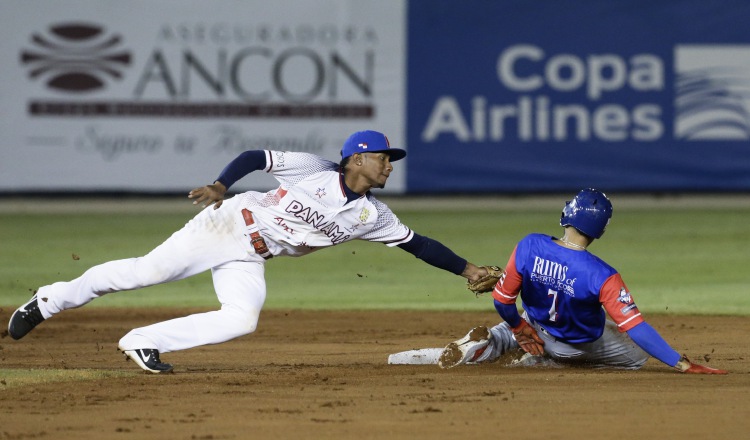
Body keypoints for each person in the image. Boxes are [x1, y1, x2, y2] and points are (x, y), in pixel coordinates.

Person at [8, 130, 493, 374]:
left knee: (241, 318)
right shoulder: (313, 170)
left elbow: (420, 245)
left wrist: (469, 269)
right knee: (143, 273)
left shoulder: (374, 215)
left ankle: (142, 340)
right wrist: (222, 185)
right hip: (226, 224)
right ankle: (50, 300)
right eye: (384, 157)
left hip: (251, 255)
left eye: (391, 160)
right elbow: (255, 159)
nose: (390, 165)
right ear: (358, 158)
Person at [389, 188, 727, 374]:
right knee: (637, 356)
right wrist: (680, 363)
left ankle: (499, 339)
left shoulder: (530, 244)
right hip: (574, 345)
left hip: (532, 327)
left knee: (519, 325)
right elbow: (637, 327)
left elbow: (502, 300)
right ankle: (543, 358)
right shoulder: (603, 274)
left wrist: (520, 328)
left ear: (568, 215)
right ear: (600, 230)